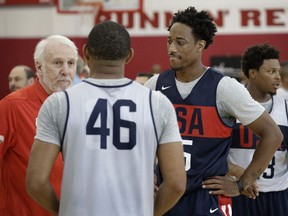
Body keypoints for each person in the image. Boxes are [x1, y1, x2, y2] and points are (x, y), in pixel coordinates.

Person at [26, 21, 186, 216]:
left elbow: (35, 182)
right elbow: (177, 183)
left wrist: (63, 211)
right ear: (129, 56)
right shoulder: (157, 103)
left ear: (85, 54)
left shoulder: (59, 103)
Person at [145, 6, 283, 216]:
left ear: (200, 45)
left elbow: (273, 134)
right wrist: (146, 173)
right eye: (169, 41)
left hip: (205, 198)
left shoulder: (224, 88)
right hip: (164, 196)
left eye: (180, 42)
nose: (171, 48)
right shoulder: (154, 85)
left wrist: (241, 184)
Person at [0, 35, 78, 216]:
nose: (66, 71)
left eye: (71, 63)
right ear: (39, 67)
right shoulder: (12, 106)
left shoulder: (80, 106)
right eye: (58, 63)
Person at [227, 43, 288, 216]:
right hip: (238, 193)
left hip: (277, 195)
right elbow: (213, 155)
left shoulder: (286, 108)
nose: (278, 77)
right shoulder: (228, 108)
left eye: (278, 71)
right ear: (252, 73)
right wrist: (237, 172)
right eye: (271, 71)